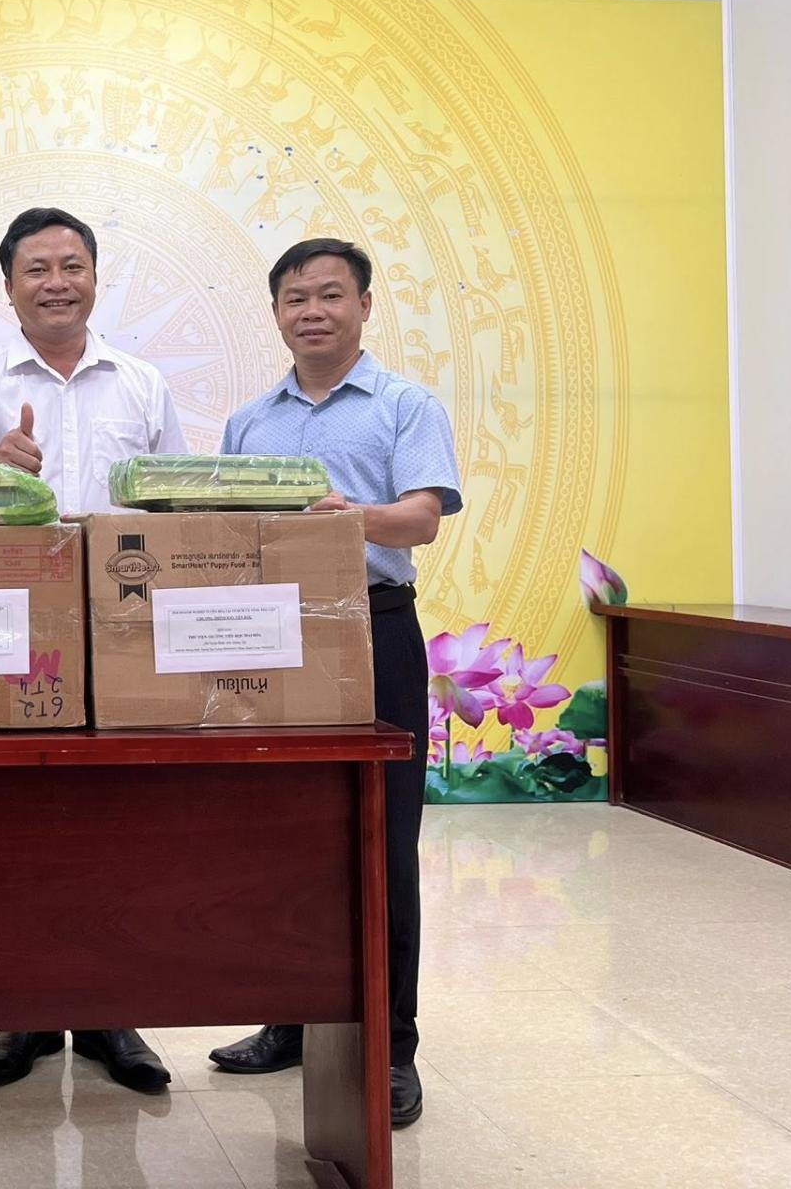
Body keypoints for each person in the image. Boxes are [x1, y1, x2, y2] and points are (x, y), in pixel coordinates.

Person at [207, 238, 461, 1130]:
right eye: (294, 298)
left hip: (374, 626)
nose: (311, 311)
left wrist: (351, 519)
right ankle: (290, 1020)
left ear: (363, 306)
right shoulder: (249, 423)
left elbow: (422, 520)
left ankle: (391, 1048)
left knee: (383, 840)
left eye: (329, 295)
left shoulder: (404, 405)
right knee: (283, 837)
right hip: (273, 635)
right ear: (276, 312)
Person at [0, 206, 182, 1093]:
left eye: (71, 265)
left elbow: (170, 506)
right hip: (13, 631)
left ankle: (114, 1012)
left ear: (94, 277)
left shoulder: (143, 383)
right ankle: (25, 1011)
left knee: (117, 825)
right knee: (15, 825)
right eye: (36, 269)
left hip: (121, 628)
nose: (56, 282)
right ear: (8, 288)